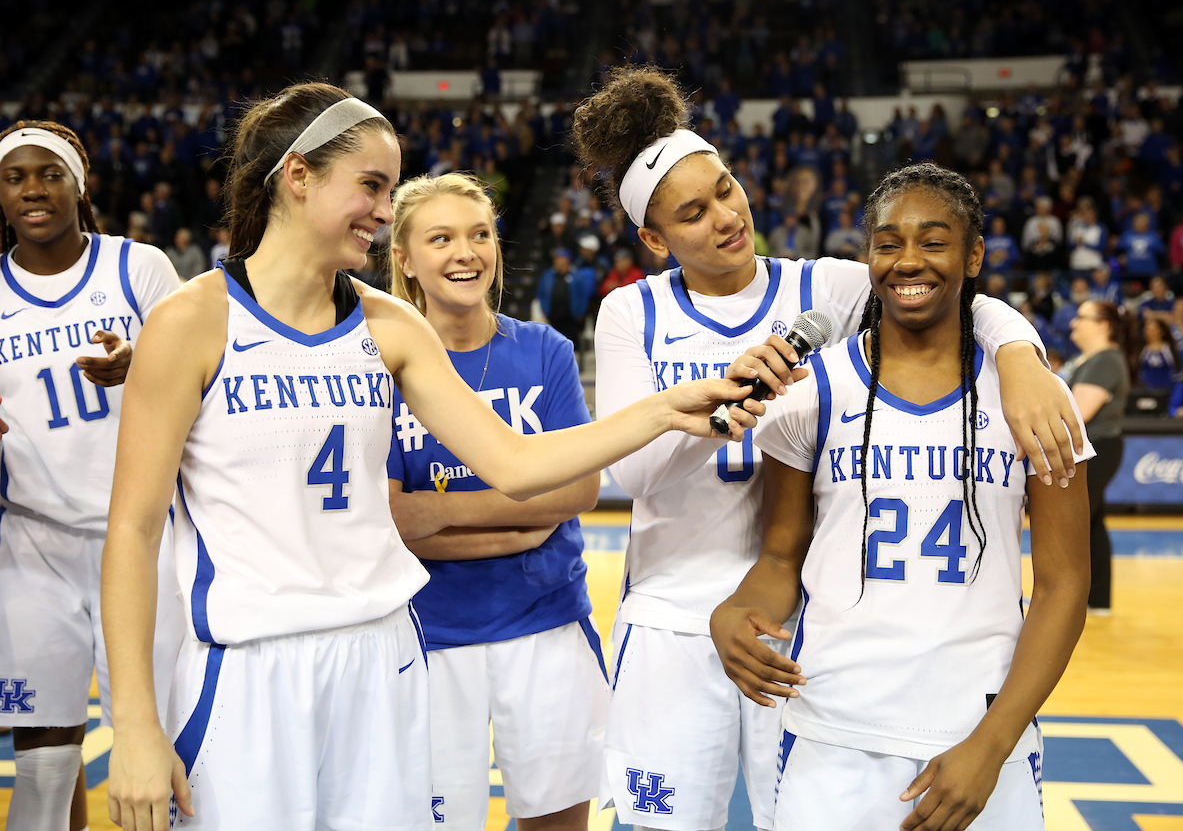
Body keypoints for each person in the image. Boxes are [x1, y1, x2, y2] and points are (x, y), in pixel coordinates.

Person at [99, 82, 755, 831]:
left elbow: (514, 461)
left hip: (384, 660)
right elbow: (132, 532)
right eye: (371, 186)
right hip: (246, 671)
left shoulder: (391, 324)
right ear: (298, 175)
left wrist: (666, 408)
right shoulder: (189, 321)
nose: (384, 210)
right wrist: (135, 722)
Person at [570, 66, 1084, 831]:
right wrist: (721, 402)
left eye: (726, 189)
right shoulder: (630, 311)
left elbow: (941, 289)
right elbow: (634, 471)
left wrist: (1018, 352)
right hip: (677, 609)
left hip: (797, 620)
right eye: (692, 212)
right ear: (654, 237)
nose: (723, 216)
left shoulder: (829, 286)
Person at [711, 162, 1092, 830]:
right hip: (833, 731)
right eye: (888, 243)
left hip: (977, 733)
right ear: (868, 257)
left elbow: (1064, 585)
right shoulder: (811, 391)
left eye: (934, 241)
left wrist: (992, 742)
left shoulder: (1032, 396)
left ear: (974, 255)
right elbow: (779, 560)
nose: (908, 259)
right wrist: (737, 610)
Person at [387, 173, 606, 831]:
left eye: (480, 234)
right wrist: (522, 512)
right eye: (442, 237)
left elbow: (580, 488)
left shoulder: (545, 351)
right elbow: (395, 519)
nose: (466, 252)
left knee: (557, 823)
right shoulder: (379, 365)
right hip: (425, 633)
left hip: (545, 623)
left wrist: (445, 509)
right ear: (404, 258)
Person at [0, 120, 183, 831]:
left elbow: (207, 374)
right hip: (32, 543)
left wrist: (146, 364)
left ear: (80, 183)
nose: (33, 190)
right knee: (44, 762)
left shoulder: (136, 267)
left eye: (49, 174)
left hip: (143, 538)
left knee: (159, 743)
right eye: (16, 178)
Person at [1062, 301, 1130, 612]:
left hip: (1097, 449)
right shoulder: (1086, 359)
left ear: (1103, 325)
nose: (1074, 322)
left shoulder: (1105, 361)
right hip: (1095, 448)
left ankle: (1066, 600)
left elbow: (1077, 413)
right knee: (1091, 523)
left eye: (1081, 316)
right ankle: (1097, 600)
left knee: (1072, 525)